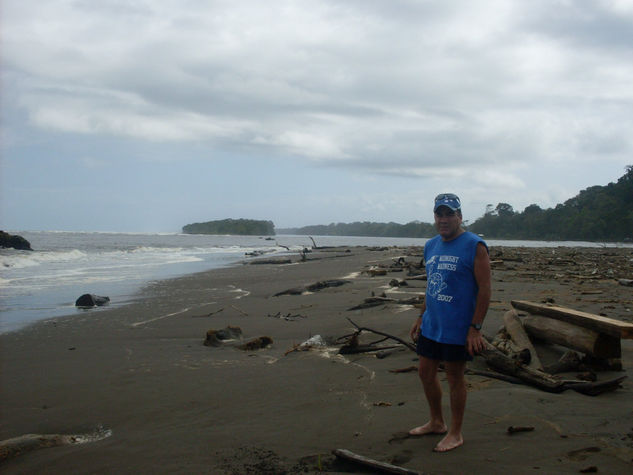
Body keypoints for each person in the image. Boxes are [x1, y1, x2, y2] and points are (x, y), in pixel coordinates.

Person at [409, 193, 491, 452]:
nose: (443, 219)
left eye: (449, 214)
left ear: (459, 217)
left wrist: (475, 328)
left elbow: (486, 289)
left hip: (458, 326)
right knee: (425, 372)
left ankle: (455, 433)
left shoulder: (474, 245)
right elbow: (431, 285)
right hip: (432, 323)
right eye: (439, 214)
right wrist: (421, 315)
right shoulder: (431, 245)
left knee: (455, 377)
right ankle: (436, 422)